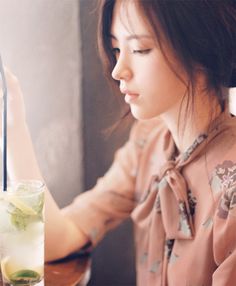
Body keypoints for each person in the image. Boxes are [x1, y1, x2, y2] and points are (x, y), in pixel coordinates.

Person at [1, 0, 236, 285]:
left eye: (140, 49)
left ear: (200, 48)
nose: (118, 70)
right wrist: (13, 122)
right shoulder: (148, 142)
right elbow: (60, 238)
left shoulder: (230, 188)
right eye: (116, 49)